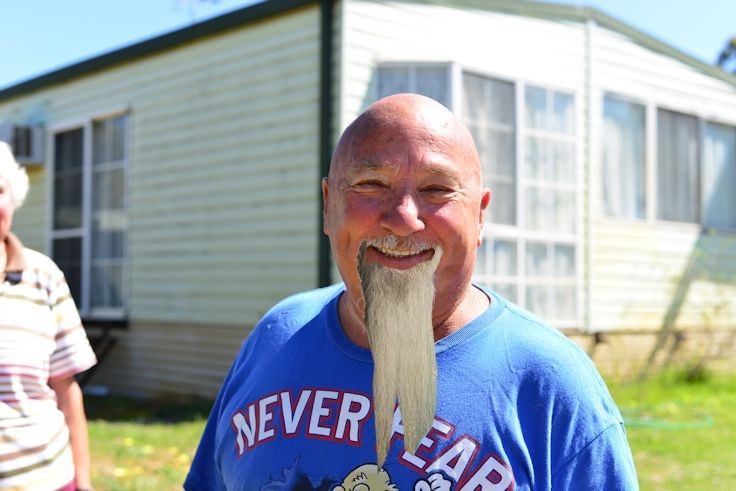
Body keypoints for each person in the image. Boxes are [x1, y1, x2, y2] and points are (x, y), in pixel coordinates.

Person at [185, 94, 638, 490]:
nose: (403, 219)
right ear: (328, 205)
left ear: (480, 216)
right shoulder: (276, 336)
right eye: (371, 184)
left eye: (437, 189)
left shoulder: (549, 384)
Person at [0, 142, 97, 490]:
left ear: (13, 198)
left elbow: (66, 390)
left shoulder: (44, 276)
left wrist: (83, 482)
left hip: (48, 478)